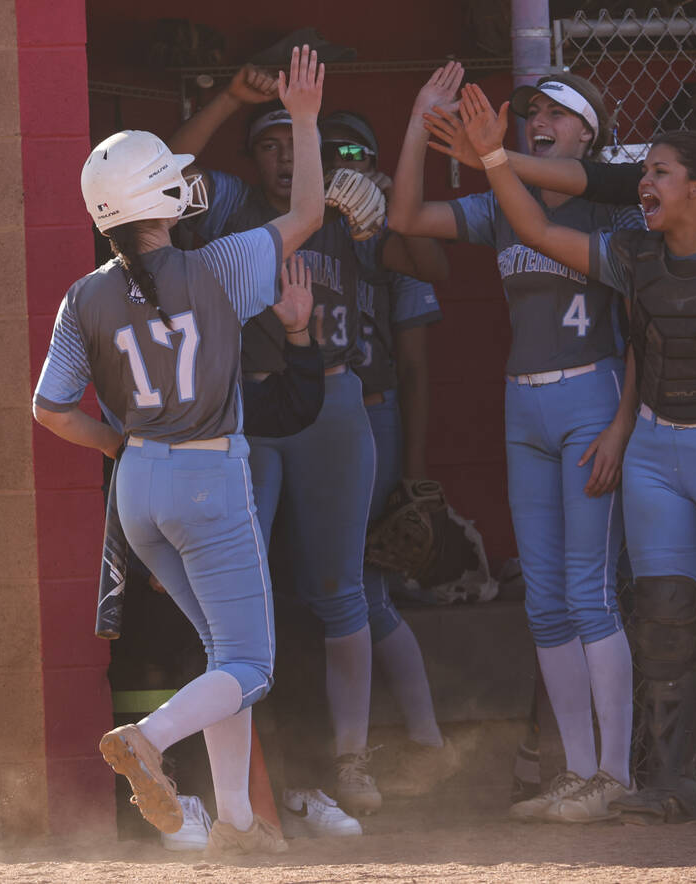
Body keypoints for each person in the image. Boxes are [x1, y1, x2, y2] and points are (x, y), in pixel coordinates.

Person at [425, 63, 696, 816]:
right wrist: (494, 158)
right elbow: (534, 227)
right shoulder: (635, 255)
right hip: (657, 455)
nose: (643, 186)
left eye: (658, 174)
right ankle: (673, 783)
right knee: (664, 616)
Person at [32, 46, 325, 854]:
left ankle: (234, 820)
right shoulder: (218, 266)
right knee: (252, 665)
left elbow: (49, 410)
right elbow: (305, 217)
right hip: (207, 474)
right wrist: (303, 118)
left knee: (223, 655)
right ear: (160, 195)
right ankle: (151, 739)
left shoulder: (82, 294)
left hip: (138, 489)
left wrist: (119, 443)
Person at [166, 62, 446, 817]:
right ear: (251, 159)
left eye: (300, 138)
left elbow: (432, 262)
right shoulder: (231, 203)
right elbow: (164, 173)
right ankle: (249, 774)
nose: (286, 154)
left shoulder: (347, 205)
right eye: (270, 143)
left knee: (340, 588)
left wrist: (382, 207)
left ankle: (349, 762)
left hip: (334, 402)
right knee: (239, 593)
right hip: (245, 408)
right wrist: (229, 98)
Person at [390, 63, 643, 824]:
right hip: (522, 405)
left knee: (591, 593)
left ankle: (616, 773)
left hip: (590, 395)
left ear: (589, 135)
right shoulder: (510, 201)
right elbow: (405, 216)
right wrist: (417, 118)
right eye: (531, 111)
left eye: (556, 115)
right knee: (546, 601)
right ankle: (576, 769)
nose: (538, 121)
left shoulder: (616, 203)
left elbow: (642, 333)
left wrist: (621, 425)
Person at [320, 108, 462, 796]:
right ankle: (394, 742)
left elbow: (416, 366)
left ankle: (419, 741)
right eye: (333, 155)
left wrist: (415, 469)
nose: (347, 166)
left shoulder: (385, 238)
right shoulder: (289, 227)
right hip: (301, 424)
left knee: (365, 589)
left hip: (372, 419)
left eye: (359, 155)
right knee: (331, 589)